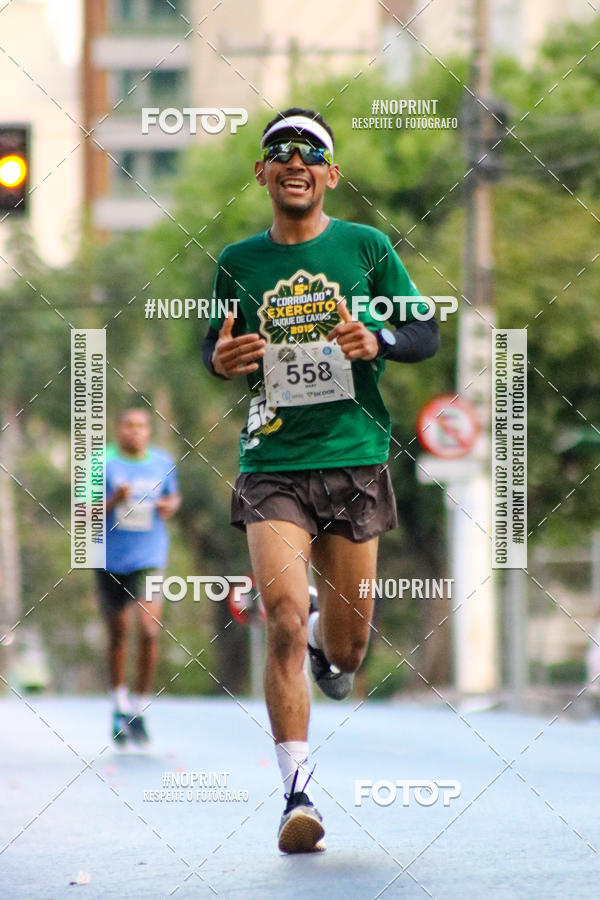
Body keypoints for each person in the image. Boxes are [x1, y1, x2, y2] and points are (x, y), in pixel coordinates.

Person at [202, 108, 439, 852]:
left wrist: (380, 338)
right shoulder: (238, 261)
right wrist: (220, 357)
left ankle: (325, 651)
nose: (294, 159)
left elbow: (426, 332)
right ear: (262, 173)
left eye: (311, 151)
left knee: (348, 651)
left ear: (331, 174)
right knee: (277, 616)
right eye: (280, 150)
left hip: (356, 457)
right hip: (272, 463)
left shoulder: (366, 248)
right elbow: (214, 341)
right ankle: (296, 795)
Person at [96, 409, 180, 747]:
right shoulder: (100, 463)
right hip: (110, 558)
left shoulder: (162, 462)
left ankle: (140, 709)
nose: (135, 431)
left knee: (149, 629)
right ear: (119, 430)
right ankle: (119, 705)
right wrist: (114, 500)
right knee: (119, 633)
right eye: (128, 425)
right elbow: (84, 512)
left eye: (141, 426)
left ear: (148, 432)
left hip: (150, 557)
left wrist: (169, 506)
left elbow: (172, 497)